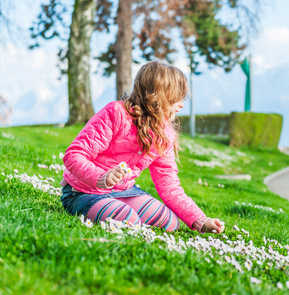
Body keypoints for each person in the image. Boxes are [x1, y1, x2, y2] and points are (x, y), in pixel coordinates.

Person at [60, 61, 224, 234]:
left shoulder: (164, 135)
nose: (181, 105)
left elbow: (169, 184)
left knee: (169, 223)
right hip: (83, 192)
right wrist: (100, 177)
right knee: (128, 220)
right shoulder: (116, 113)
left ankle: (117, 208)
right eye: (176, 98)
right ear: (158, 96)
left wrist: (199, 219)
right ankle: (109, 209)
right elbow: (74, 154)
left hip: (124, 191)